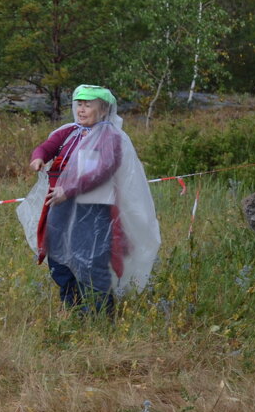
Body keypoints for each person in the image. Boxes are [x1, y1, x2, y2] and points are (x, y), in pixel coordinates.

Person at [17, 85, 160, 314]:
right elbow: (47, 147)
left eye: (88, 105)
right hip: (60, 208)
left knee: (91, 263)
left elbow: (102, 170)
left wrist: (70, 188)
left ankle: (99, 316)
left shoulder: (111, 137)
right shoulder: (70, 131)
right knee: (59, 259)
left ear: (103, 109)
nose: (81, 110)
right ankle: (72, 309)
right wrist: (38, 158)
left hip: (94, 213)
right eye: (79, 104)